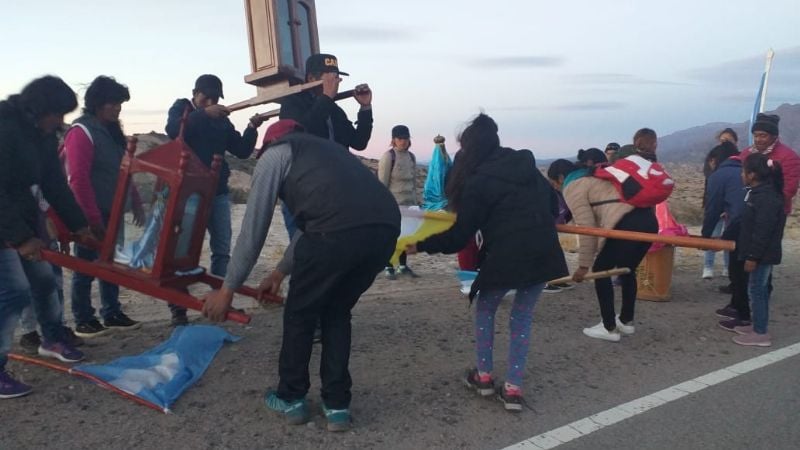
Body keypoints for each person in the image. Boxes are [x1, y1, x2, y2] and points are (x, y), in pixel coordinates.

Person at [202, 119, 399, 431]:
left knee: (301, 314)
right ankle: (337, 406)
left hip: (335, 231)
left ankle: (291, 398)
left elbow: (253, 230)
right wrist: (280, 272)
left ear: (268, 145)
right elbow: (315, 223)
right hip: (384, 229)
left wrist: (227, 290)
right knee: (336, 312)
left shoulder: (275, 155)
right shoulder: (327, 153)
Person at [406, 114, 568, 412]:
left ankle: (484, 377)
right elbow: (552, 205)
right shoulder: (528, 169)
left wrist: (421, 245)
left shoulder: (479, 181)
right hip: (544, 252)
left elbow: (458, 236)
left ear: (469, 150)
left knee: (486, 310)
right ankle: (513, 389)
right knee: (521, 318)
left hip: (508, 256)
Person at [1, 76, 95, 398]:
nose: (61, 120)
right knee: (14, 291)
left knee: (44, 282)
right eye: (58, 113)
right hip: (4, 220)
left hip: (23, 215)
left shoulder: (42, 135)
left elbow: (55, 183)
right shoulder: (5, 126)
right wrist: (22, 238)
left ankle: (52, 338)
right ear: (39, 108)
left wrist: (78, 224)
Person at [165, 74, 265, 325]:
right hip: (187, 194)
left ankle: (222, 300)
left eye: (214, 98)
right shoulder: (183, 108)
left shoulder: (222, 121)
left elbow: (241, 150)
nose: (209, 101)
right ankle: (178, 309)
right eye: (204, 97)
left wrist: (252, 128)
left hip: (217, 193)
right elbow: (173, 130)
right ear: (194, 93)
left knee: (221, 250)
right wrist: (203, 114)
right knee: (181, 251)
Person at [62, 76, 142, 337]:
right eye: (112, 102)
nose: (117, 107)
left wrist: (136, 204)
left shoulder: (112, 133)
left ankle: (112, 312)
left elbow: (124, 173)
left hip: (115, 210)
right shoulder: (81, 132)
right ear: (97, 103)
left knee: (113, 265)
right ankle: (84, 318)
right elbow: (78, 179)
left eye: (119, 103)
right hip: (91, 213)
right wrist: (91, 219)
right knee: (85, 266)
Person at [564, 128, 659, 342]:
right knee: (628, 270)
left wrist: (583, 266)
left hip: (625, 224)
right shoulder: (613, 178)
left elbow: (586, 227)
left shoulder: (577, 185)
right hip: (648, 221)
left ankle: (608, 327)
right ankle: (626, 322)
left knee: (601, 270)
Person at [278, 53, 374, 238]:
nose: (336, 82)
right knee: (304, 250)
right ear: (311, 79)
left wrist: (365, 109)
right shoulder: (293, 103)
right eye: (330, 77)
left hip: (336, 191)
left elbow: (359, 142)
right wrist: (327, 99)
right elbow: (301, 134)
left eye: (337, 78)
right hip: (303, 192)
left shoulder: (335, 110)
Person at [732, 153, 786, 347]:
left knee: (758, 291)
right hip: (758, 253)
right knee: (754, 289)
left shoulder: (767, 197)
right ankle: (757, 325)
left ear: (752, 174)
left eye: (743, 171)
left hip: (762, 255)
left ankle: (760, 332)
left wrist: (753, 256)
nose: (741, 175)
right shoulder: (758, 193)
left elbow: (763, 230)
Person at [700, 143, 748, 331]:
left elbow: (713, 209)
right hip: (753, 224)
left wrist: (705, 237)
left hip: (740, 226)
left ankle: (743, 315)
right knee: (741, 270)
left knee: (738, 271)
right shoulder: (744, 170)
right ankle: (736, 305)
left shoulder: (719, 175)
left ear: (714, 160)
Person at [378, 125, 419, 279]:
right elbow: (382, 183)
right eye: (400, 138)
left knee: (406, 236)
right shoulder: (389, 157)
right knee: (392, 237)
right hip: (393, 203)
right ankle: (389, 266)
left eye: (406, 138)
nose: (403, 141)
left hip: (409, 203)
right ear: (393, 140)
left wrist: (416, 202)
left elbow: (413, 182)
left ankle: (402, 265)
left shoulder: (412, 157)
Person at [739, 114, 800, 216]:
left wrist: (768, 205)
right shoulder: (745, 154)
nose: (758, 139)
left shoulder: (788, 157)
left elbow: (789, 188)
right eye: (755, 135)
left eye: (763, 135)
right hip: (746, 208)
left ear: (774, 136)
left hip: (773, 212)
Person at [542, 159, 580, 294]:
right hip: (545, 228)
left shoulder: (564, 191)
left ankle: (559, 278)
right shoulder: (551, 191)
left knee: (555, 252)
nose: (554, 185)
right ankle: (546, 281)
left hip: (553, 227)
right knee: (546, 252)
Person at [701, 144, 731, 280]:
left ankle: (727, 267)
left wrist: (704, 235)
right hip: (725, 211)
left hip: (726, 211)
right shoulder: (737, 170)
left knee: (726, 238)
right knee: (721, 236)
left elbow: (713, 202)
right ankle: (709, 266)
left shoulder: (718, 175)